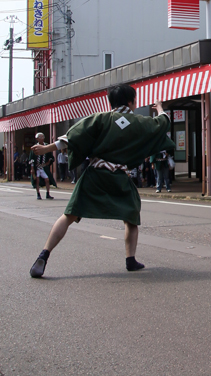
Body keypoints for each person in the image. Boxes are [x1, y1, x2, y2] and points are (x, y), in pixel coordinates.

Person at [29, 84, 174, 278]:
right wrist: (160, 108)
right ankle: (130, 260)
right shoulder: (140, 122)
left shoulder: (100, 119)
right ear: (131, 102)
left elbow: (72, 137)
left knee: (69, 215)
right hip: (120, 177)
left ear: (111, 102)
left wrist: (47, 148)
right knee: (131, 217)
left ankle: (44, 254)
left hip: (95, 174)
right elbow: (163, 123)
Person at [28, 133, 56, 200]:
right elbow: (31, 159)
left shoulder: (46, 146)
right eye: (39, 137)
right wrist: (32, 169)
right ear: (37, 139)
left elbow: (50, 156)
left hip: (43, 166)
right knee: (37, 180)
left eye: (42, 137)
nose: (41, 138)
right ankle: (38, 194)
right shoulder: (35, 147)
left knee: (47, 179)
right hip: (37, 167)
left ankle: (48, 193)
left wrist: (48, 162)